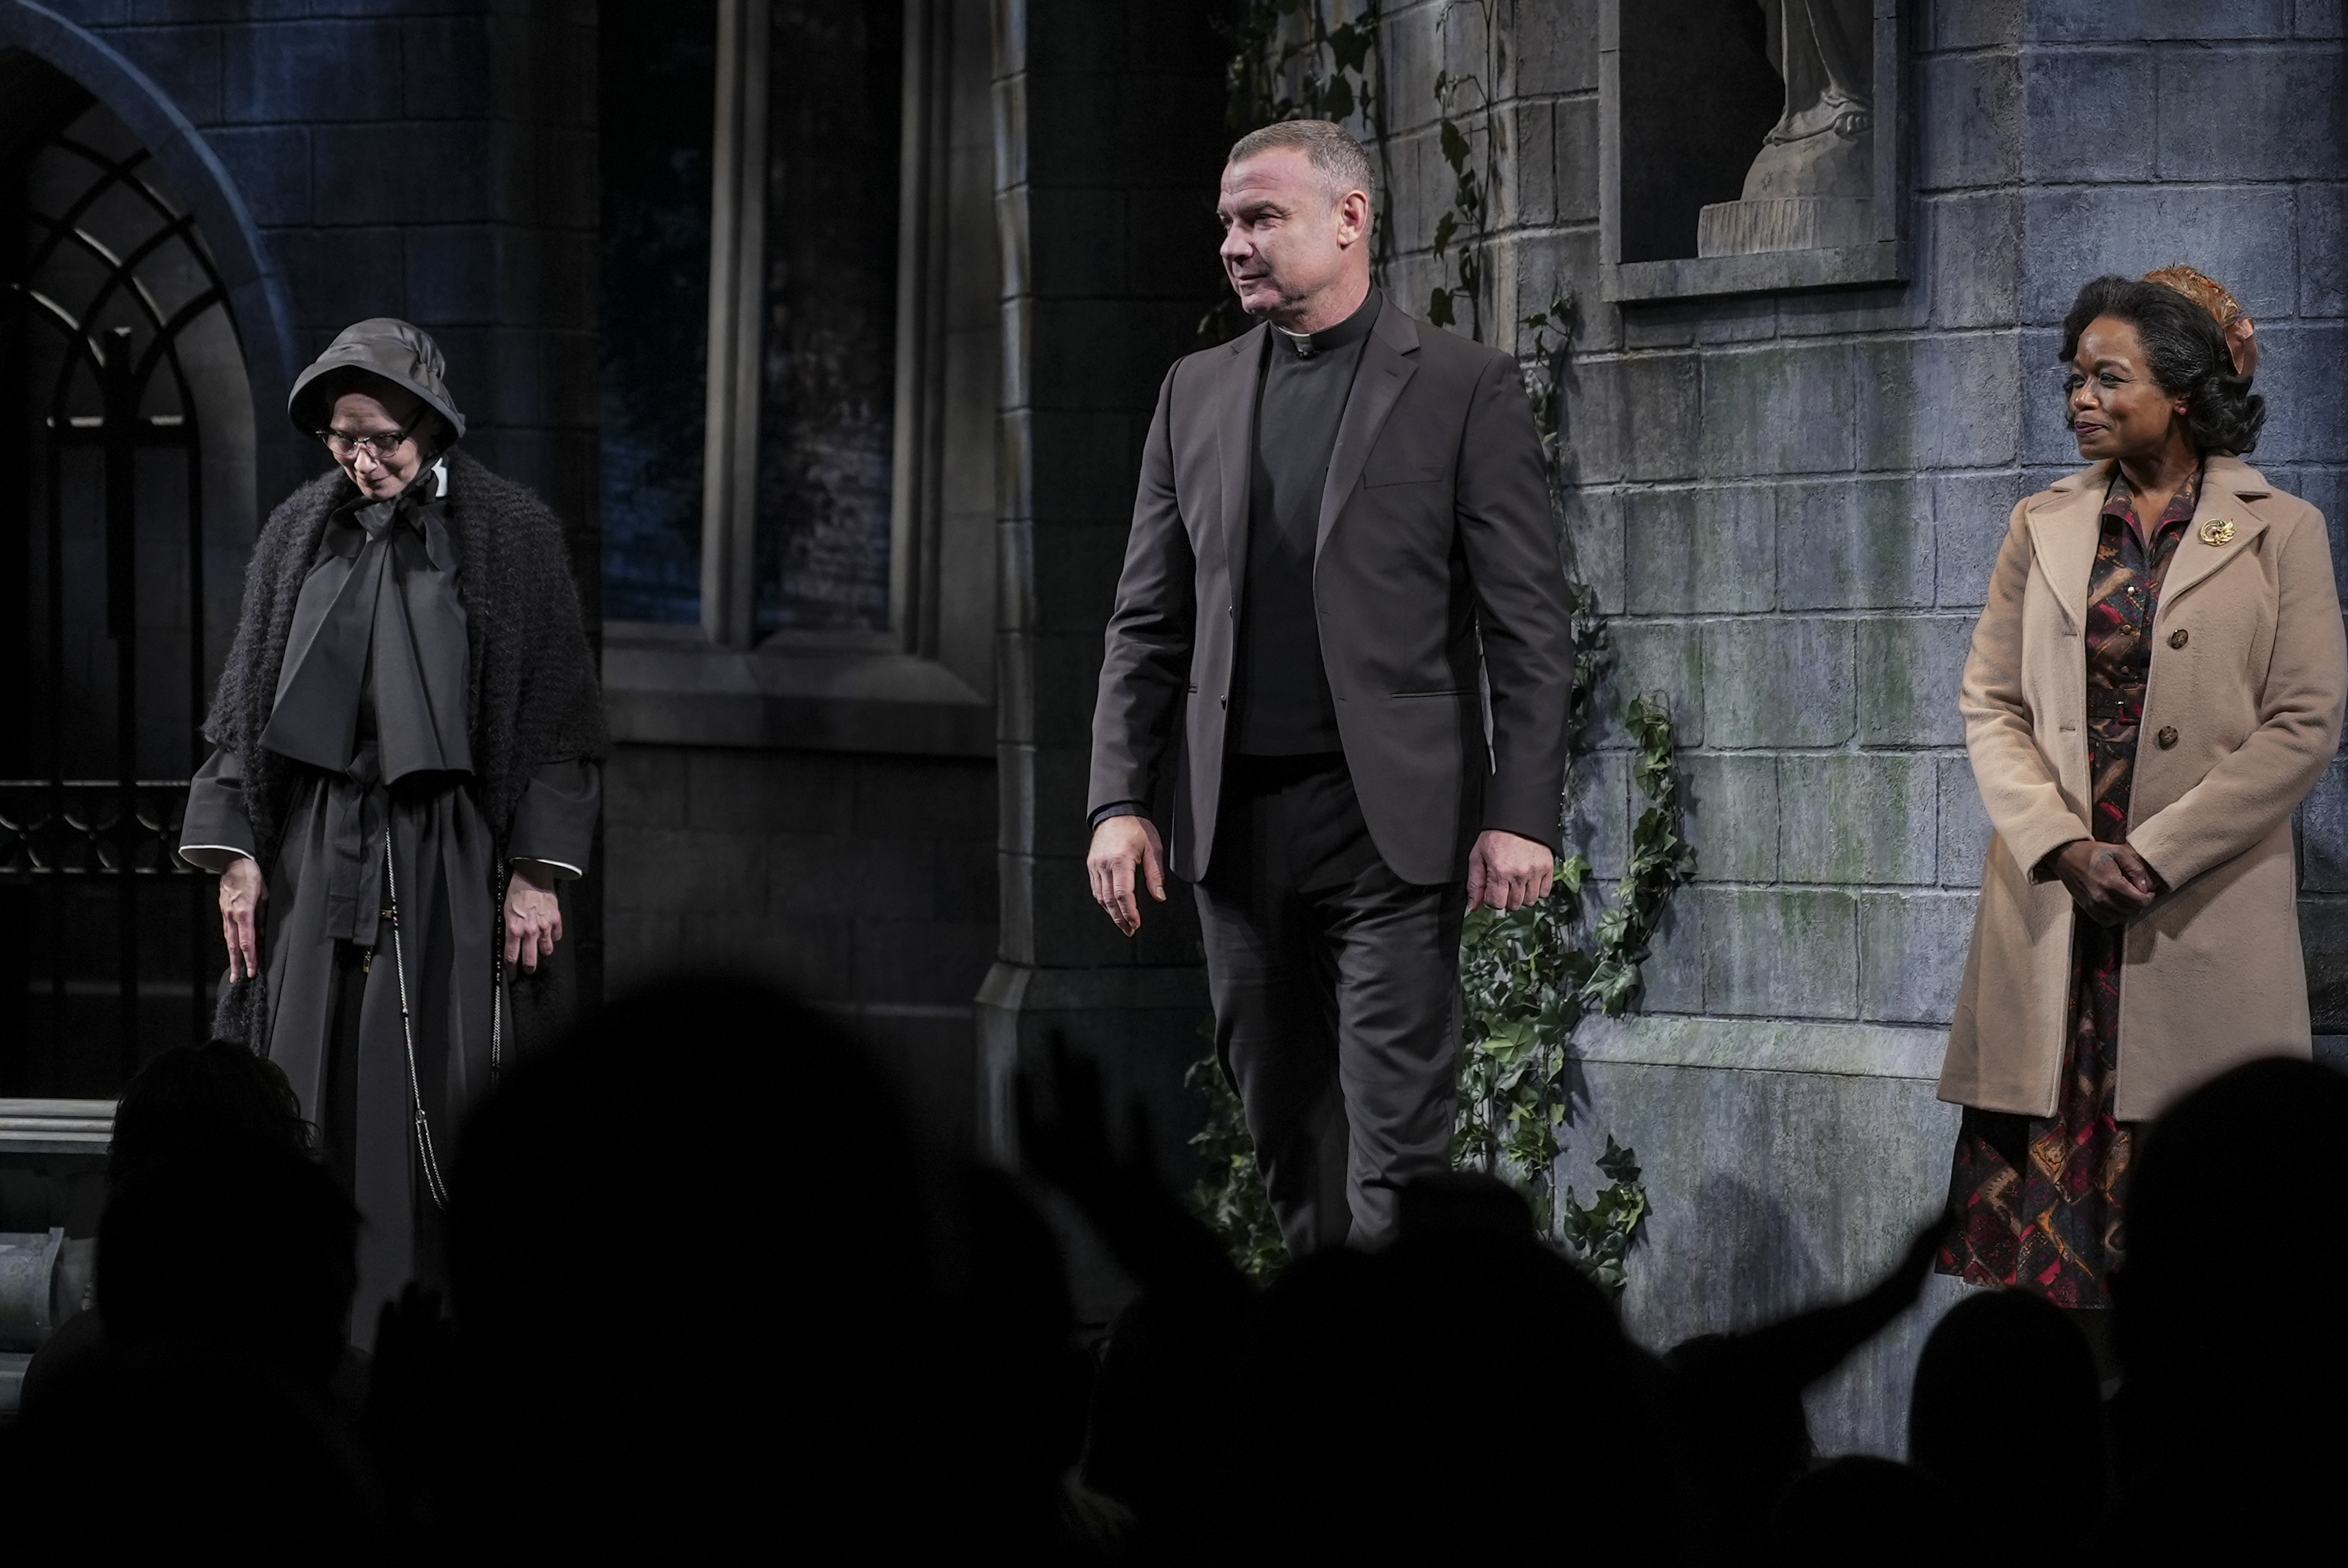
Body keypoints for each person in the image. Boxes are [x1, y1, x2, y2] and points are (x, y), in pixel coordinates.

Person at [1084, 120, 1572, 1253]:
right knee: (1288, 1138)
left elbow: (1527, 623)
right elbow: (1145, 620)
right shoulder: (1193, 393)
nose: (1234, 245)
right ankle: (1329, 1376)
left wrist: (1520, 814)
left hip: (1385, 826)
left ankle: (1390, 1391)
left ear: (1349, 220)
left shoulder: (1460, 385)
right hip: (1231, 828)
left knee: (1397, 1149)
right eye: (1227, 224)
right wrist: (1118, 799)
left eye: (1261, 218)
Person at [1937, 271, 2346, 1328]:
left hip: (2193, 913)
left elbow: (2302, 721)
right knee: (2047, 1294)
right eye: (2072, 378)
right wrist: (2061, 844)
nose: (2079, 398)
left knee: (2207, 1273)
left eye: (2106, 378)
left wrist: (2155, 852)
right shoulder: (2041, 525)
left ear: (2181, 390)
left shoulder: (2280, 529)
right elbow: (1988, 702)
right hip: (2057, 924)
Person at [181, 319, 605, 1325]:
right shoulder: (298, 531)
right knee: (296, 1068)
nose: (362, 460)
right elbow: (244, 704)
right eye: (341, 439)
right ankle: (293, 1309)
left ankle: (429, 1318)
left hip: (447, 852)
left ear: (430, 424)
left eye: (382, 438)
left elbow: (556, 712)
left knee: (445, 1079)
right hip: (318, 844)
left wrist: (537, 871)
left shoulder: (511, 535)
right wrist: (236, 850)